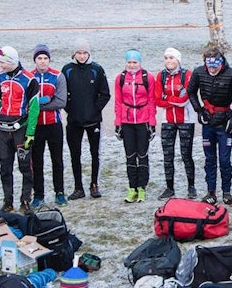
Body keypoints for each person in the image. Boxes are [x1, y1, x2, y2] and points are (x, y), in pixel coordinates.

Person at [188, 46, 232, 206]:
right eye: (209, 66)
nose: (212, 70)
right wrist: (199, 110)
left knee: (225, 160)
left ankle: (227, 192)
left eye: (216, 66)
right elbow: (190, 91)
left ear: (222, 63)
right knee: (210, 159)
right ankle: (211, 192)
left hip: (224, 122)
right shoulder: (199, 72)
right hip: (207, 121)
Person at [0, 45, 39, 213]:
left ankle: (25, 200)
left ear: (11, 61)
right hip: (3, 129)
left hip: (21, 129)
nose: (0, 65)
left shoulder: (29, 80)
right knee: (5, 167)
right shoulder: (1, 78)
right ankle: (8, 201)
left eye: (3, 62)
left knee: (25, 167)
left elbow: (34, 107)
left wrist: (30, 132)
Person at [63, 39, 111, 200]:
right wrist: (70, 109)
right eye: (79, 53)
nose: (82, 56)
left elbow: (105, 94)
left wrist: (94, 109)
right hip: (74, 121)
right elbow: (62, 93)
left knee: (94, 153)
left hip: (93, 121)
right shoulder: (67, 70)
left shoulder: (97, 69)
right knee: (75, 154)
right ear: (74, 54)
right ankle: (78, 188)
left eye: (84, 53)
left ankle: (94, 184)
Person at [113, 49, 157, 202]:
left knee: (142, 155)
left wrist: (152, 123)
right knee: (130, 156)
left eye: (135, 62)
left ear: (140, 62)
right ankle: (132, 188)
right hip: (127, 122)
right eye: (129, 62)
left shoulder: (147, 77)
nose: (132, 65)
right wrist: (118, 123)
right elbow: (118, 101)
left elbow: (152, 101)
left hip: (143, 120)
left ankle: (142, 188)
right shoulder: (120, 78)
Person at [154, 47, 197, 200]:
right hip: (167, 121)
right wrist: (171, 100)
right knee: (168, 155)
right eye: (166, 58)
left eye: (171, 58)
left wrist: (167, 98)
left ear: (178, 59)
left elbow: (184, 100)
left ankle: (191, 186)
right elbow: (157, 100)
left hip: (186, 120)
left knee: (186, 154)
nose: (168, 61)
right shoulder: (160, 76)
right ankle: (169, 187)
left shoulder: (187, 74)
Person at [29, 44, 68, 208]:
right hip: (36, 126)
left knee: (57, 160)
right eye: (39, 58)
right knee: (36, 161)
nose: (43, 61)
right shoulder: (29, 77)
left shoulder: (58, 76)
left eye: (45, 58)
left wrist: (37, 104)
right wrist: (42, 101)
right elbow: (26, 103)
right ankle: (38, 194)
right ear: (35, 60)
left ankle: (60, 192)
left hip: (54, 124)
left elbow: (61, 102)